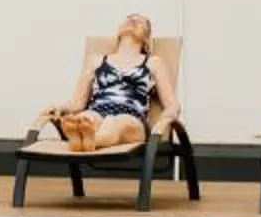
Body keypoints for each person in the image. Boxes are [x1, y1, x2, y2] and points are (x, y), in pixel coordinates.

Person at [43, 12, 181, 151]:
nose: (133, 20)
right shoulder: (95, 60)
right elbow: (78, 103)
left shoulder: (154, 62)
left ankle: (90, 141)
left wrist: (164, 121)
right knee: (84, 118)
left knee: (115, 123)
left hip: (132, 117)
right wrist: (60, 108)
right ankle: (81, 137)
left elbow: (172, 105)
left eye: (140, 21)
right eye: (129, 19)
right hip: (98, 110)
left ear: (147, 38)